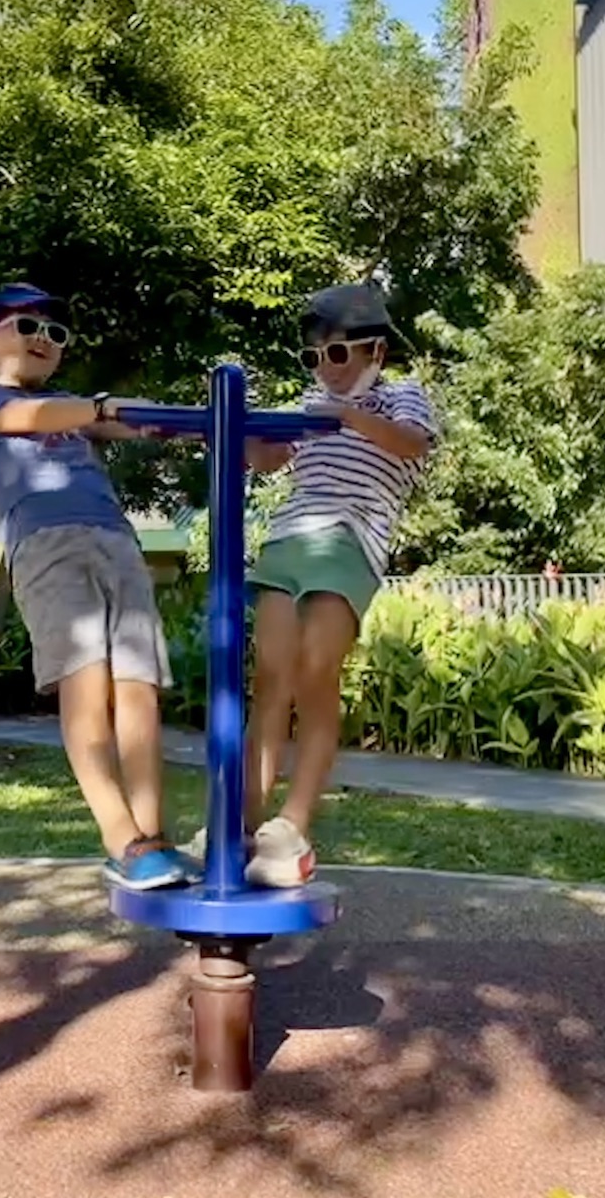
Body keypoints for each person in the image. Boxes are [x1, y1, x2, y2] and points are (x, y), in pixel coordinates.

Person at [0, 282, 199, 891]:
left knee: (139, 688)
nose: (43, 339)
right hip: (47, 544)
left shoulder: (77, 409)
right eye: (26, 327)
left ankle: (152, 838)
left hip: (116, 540)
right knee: (85, 685)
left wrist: (194, 424)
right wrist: (102, 408)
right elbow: (29, 418)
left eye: (56, 333)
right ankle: (121, 837)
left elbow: (134, 421)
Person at [240, 282, 439, 887]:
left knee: (315, 672)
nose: (324, 369)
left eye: (336, 354)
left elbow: (413, 443)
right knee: (270, 677)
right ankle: (243, 825)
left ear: (374, 351)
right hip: (289, 538)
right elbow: (266, 460)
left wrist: (348, 416)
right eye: (314, 357)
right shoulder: (311, 403)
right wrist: (246, 428)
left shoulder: (401, 396)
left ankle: (293, 827)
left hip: (350, 540)